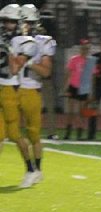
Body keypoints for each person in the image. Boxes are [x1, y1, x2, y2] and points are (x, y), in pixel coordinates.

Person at [17, 4, 55, 188]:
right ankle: (30, 167)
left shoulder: (43, 41)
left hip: (31, 90)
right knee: (12, 132)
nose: (26, 26)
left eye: (29, 22)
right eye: (24, 22)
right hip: (12, 89)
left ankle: (36, 170)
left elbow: (46, 72)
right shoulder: (12, 39)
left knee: (33, 134)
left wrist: (28, 61)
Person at [0, 4, 36, 185]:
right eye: (5, 20)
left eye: (12, 21)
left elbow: (14, 69)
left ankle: (31, 169)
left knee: (14, 134)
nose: (8, 25)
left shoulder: (27, 43)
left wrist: (7, 49)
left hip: (10, 89)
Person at [63, 38, 91, 140]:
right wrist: (65, 87)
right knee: (71, 111)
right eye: (83, 48)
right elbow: (68, 73)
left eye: (87, 49)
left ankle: (79, 132)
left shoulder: (90, 61)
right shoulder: (74, 59)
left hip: (84, 88)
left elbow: (92, 77)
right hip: (73, 86)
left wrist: (91, 90)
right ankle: (68, 132)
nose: (85, 50)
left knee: (82, 112)